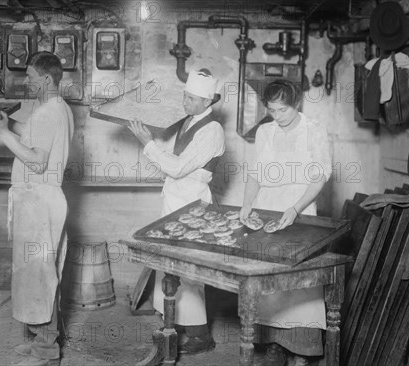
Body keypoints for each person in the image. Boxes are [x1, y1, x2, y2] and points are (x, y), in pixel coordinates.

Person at [0, 51, 74, 366]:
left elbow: (36, 158)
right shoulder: (57, 108)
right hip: (42, 200)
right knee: (40, 274)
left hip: (39, 201)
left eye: (30, 76)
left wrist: (0, 132)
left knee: (40, 276)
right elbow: (35, 139)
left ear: (46, 78)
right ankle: (41, 340)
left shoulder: (47, 113)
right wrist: (11, 124)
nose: (26, 81)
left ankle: (46, 351)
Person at [129, 69, 225, 355]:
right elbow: (169, 156)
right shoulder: (188, 122)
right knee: (167, 266)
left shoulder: (212, 130)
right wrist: (149, 139)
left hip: (193, 203)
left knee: (189, 270)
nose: (185, 101)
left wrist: (146, 143)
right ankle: (171, 323)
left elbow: (178, 167)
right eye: (185, 95)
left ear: (208, 101)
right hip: (175, 200)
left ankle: (200, 335)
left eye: (192, 98)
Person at [239, 79, 332, 366]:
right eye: (272, 110)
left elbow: (319, 176)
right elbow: (255, 173)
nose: (277, 116)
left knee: (299, 283)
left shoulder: (314, 131)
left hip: (300, 209)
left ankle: (301, 348)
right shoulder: (265, 132)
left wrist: (294, 209)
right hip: (268, 210)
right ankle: (274, 344)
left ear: (297, 104)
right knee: (270, 280)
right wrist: (247, 204)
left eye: (283, 110)